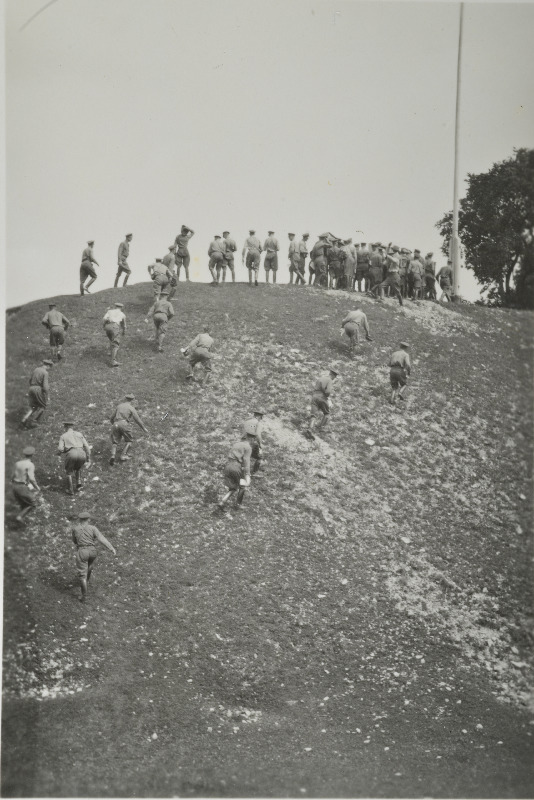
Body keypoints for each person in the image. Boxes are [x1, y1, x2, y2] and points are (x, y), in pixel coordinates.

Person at [69, 511, 116, 603]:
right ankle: (87, 580)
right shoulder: (93, 528)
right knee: (89, 567)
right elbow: (101, 538)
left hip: (82, 551)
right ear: (88, 519)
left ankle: (84, 597)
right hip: (93, 551)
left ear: (79, 519)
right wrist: (111, 548)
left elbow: (74, 541)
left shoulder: (75, 529)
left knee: (82, 574)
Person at [109, 394, 149, 465]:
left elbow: (111, 418)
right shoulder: (131, 408)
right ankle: (123, 455)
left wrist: (114, 425)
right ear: (132, 400)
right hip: (124, 423)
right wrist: (144, 428)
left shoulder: (119, 406)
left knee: (115, 442)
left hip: (116, 423)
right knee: (129, 441)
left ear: (125, 399)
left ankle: (113, 455)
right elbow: (137, 420)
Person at [218, 433, 255, 510]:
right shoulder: (248, 448)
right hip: (236, 467)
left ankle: (222, 501)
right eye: (253, 440)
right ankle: (238, 504)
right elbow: (246, 461)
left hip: (228, 466)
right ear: (251, 439)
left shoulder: (236, 444)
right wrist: (247, 474)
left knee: (233, 487)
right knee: (242, 486)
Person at [57, 421, 92, 495]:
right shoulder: (79, 434)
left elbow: (60, 449)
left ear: (65, 427)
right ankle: (78, 483)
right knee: (78, 467)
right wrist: (88, 459)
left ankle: (70, 490)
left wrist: (59, 454)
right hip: (82, 453)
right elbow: (87, 447)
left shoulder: (63, 436)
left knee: (69, 471)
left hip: (71, 453)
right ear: (72, 427)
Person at [306, 364, 340, 438]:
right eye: (335, 376)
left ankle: (310, 429)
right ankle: (319, 428)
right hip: (322, 397)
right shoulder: (330, 380)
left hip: (314, 396)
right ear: (333, 375)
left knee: (313, 415)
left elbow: (315, 388)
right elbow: (327, 392)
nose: (335, 378)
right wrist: (327, 397)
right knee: (327, 414)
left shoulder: (321, 378)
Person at [11, 446, 41, 523]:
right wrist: (37, 487)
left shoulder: (17, 463)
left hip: (14, 486)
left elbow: (12, 476)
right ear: (32, 455)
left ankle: (20, 522)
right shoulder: (30, 464)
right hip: (21, 486)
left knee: (23, 503)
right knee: (32, 504)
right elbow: (31, 478)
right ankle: (19, 517)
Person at [21, 359, 53, 428]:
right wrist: (47, 396)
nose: (49, 369)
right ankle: (33, 421)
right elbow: (45, 387)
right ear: (48, 365)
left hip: (31, 388)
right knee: (43, 406)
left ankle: (24, 419)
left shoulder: (36, 369)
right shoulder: (45, 373)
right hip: (37, 389)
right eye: (50, 367)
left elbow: (30, 380)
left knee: (34, 407)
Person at [242, 409, 265, 475]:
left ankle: (242, 470)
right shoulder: (258, 423)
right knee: (260, 457)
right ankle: (255, 472)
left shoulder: (246, 421)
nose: (261, 419)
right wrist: (260, 444)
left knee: (244, 456)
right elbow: (258, 435)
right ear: (259, 417)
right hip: (251, 443)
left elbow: (243, 433)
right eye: (261, 417)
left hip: (243, 441)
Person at [103, 302, 126, 367]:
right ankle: (113, 361)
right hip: (115, 327)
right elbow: (124, 325)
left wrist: (104, 326)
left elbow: (104, 319)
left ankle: (111, 353)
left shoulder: (109, 311)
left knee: (111, 340)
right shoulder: (122, 314)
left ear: (115, 307)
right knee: (116, 344)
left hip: (107, 326)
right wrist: (124, 331)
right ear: (121, 308)